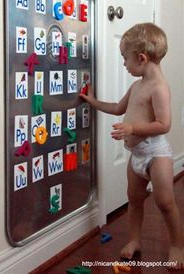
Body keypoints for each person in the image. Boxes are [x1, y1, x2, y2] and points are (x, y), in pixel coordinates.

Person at [80, 23, 184, 268]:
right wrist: (94, 102)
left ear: (141, 58)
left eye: (125, 58)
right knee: (134, 199)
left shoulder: (159, 88)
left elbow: (164, 124)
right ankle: (135, 240)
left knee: (165, 202)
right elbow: (118, 108)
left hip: (156, 154)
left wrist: (131, 128)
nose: (124, 64)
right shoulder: (136, 86)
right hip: (136, 155)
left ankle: (177, 246)